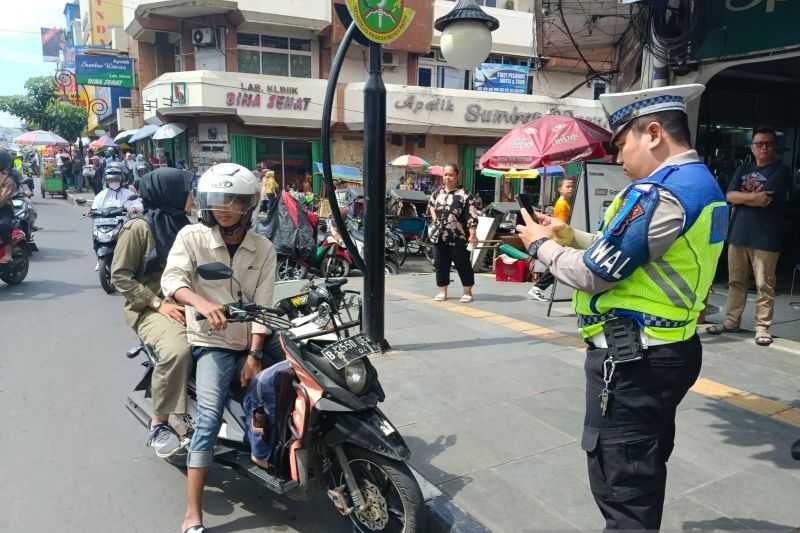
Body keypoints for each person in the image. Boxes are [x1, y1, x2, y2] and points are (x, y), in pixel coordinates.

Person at [516, 84, 727, 530]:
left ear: (653, 133)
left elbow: (595, 274)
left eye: (621, 143)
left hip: (634, 362)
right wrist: (571, 238)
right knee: (643, 467)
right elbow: (638, 255)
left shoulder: (657, 193)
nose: (617, 157)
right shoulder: (700, 184)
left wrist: (539, 247)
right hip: (668, 349)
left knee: (622, 486)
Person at [161, 163, 277, 533]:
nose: (224, 208)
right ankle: (193, 514)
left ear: (249, 205)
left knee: (294, 387)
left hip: (252, 338)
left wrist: (256, 353)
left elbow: (264, 304)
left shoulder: (264, 248)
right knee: (209, 419)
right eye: (216, 201)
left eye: (233, 201)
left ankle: (267, 451)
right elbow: (173, 279)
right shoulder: (192, 237)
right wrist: (200, 302)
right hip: (212, 341)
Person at [111, 168, 195, 458]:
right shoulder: (139, 228)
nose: (192, 197)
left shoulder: (185, 224)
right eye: (187, 191)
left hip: (186, 300)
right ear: (169, 192)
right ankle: (160, 422)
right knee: (178, 349)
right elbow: (120, 277)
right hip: (149, 307)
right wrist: (159, 304)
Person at [708, 127, 789, 346]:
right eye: (759, 143)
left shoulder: (781, 171)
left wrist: (741, 197)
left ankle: (762, 328)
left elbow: (765, 200)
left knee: (764, 285)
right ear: (752, 148)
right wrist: (751, 197)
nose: (764, 147)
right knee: (735, 282)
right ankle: (731, 321)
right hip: (738, 235)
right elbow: (728, 195)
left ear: (775, 147)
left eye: (768, 143)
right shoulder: (743, 168)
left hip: (766, 237)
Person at [427, 163, 481, 303]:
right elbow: (431, 206)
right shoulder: (437, 193)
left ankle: (467, 291)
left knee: (462, 264)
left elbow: (472, 216)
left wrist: (473, 234)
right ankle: (442, 291)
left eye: (451, 175)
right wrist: (435, 220)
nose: (448, 178)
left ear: (457, 176)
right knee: (440, 264)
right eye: (445, 175)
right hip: (438, 235)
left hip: (458, 235)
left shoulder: (465, 195)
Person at [528, 176, 576, 301]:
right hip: (561, 238)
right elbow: (561, 223)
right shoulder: (562, 204)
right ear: (560, 189)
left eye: (572, 187)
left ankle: (538, 288)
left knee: (557, 266)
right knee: (557, 266)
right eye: (567, 187)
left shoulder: (563, 203)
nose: (571, 189)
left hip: (560, 237)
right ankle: (538, 288)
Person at [0, 149, 19, 263]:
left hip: (4, 210)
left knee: (3, 226)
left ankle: (8, 253)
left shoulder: (7, 180)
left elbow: (3, 197)